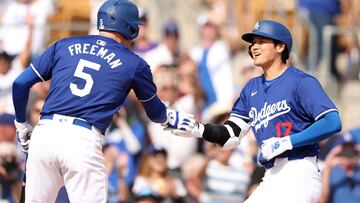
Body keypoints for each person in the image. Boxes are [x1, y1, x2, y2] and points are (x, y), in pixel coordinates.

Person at [11, 0, 192, 202]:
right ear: (130, 28)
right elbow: (157, 113)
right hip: (82, 139)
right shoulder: (134, 63)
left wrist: (21, 125)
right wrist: (187, 124)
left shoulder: (64, 44)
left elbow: (20, 84)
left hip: (44, 133)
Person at [169, 20, 342, 203]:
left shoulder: (301, 82)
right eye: (253, 43)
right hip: (271, 176)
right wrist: (198, 129)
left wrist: (287, 142)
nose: (254, 47)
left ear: (280, 46)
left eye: (261, 41)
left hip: (300, 171)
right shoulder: (252, 88)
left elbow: (332, 121)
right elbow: (231, 135)